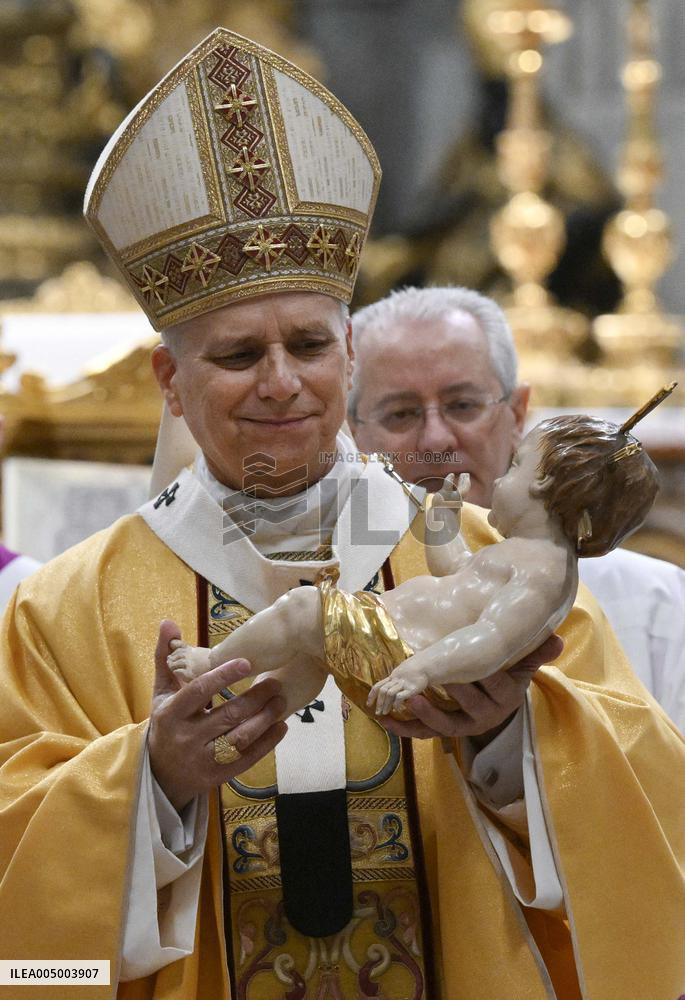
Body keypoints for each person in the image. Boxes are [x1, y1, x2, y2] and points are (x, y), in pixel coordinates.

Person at [0, 30, 683, 1000]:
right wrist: (151, 778)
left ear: (350, 358)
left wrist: (504, 745)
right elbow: (20, 944)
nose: (281, 384)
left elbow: (648, 814)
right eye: (238, 355)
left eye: (309, 345)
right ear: (168, 380)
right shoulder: (64, 613)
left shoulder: (491, 563)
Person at [167, 411, 661, 721]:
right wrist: (443, 520)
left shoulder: (544, 572)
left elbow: (493, 639)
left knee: (301, 610)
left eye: (515, 467)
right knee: (310, 656)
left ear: (550, 490)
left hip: (407, 657)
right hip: (397, 644)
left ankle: (212, 663)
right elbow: (455, 571)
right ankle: (250, 718)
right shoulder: (521, 555)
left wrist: (419, 671)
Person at [349, 285, 685, 732]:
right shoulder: (331, 589)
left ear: (518, 415)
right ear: (352, 433)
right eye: (400, 414)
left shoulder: (654, 604)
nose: (436, 440)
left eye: (463, 406)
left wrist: (507, 741)